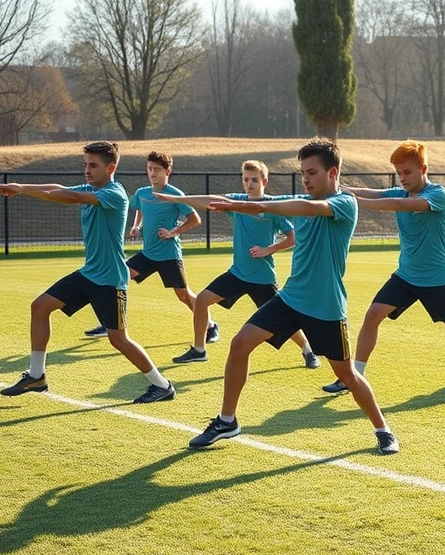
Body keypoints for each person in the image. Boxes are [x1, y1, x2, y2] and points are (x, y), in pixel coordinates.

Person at [186, 138, 399, 455]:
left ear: (333, 172)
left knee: (347, 375)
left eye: (312, 172)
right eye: (303, 173)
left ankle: (383, 430)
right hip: (290, 299)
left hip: (326, 308)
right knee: (240, 343)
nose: (306, 179)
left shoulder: (344, 204)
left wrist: (254, 206)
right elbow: (287, 202)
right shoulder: (301, 198)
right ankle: (227, 420)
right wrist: (179, 199)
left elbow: (308, 208)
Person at [0, 141, 176, 403]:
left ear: (111, 167)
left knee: (119, 340)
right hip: (89, 274)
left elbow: (71, 197)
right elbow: (59, 188)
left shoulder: (114, 193)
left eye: (93, 165)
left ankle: (162, 385)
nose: (87, 170)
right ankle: (36, 375)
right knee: (40, 306)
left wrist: (23, 191)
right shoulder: (92, 187)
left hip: (111, 280)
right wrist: (21, 187)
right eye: (85, 165)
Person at [320, 140, 445, 399]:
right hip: (405, 277)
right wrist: (336, 187)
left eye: (407, 172)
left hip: (436, 279)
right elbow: (373, 193)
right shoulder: (400, 192)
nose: (402, 178)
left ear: (423, 169)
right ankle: (354, 377)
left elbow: (400, 205)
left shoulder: (439, 195)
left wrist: (350, 200)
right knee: (373, 314)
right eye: (399, 173)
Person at [154, 161, 320, 369]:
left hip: (262, 278)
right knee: (203, 299)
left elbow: (292, 237)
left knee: (283, 320)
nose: (249, 184)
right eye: (245, 179)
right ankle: (199, 350)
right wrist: (177, 199)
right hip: (237, 274)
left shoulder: (271, 207)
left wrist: (267, 249)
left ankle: (308, 350)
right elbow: (209, 200)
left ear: (264, 182)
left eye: (254, 180)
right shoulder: (237, 201)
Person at [83, 151, 218, 343]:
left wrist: (173, 232)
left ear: (167, 171)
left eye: (157, 169)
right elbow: (139, 209)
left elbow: (194, 219)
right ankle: (109, 323)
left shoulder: (174, 195)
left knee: (184, 296)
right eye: (149, 169)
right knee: (117, 278)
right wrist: (137, 225)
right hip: (148, 254)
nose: (152, 173)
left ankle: (211, 326)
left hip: (169, 255)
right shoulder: (142, 193)